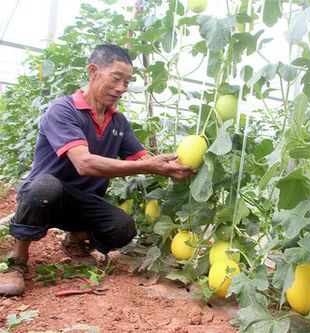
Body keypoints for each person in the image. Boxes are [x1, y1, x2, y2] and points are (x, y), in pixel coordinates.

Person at [0, 44, 194, 296]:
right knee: (45, 187)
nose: (122, 88)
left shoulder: (118, 122)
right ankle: (18, 262)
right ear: (93, 71)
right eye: (116, 78)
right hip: (45, 195)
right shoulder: (64, 110)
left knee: (123, 227)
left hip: (82, 203)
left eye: (127, 82)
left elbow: (144, 157)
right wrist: (148, 166)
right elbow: (84, 163)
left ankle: (74, 241)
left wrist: (175, 167)